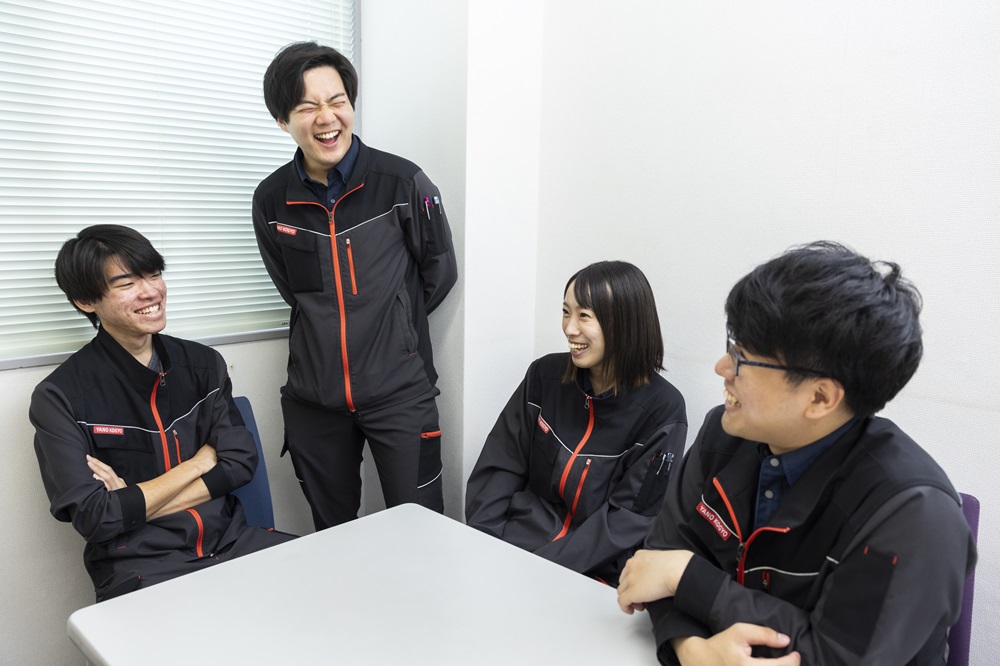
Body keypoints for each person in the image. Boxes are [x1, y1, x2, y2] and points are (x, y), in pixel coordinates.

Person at [617, 242, 977, 665]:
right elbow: (655, 564)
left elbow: (834, 656)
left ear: (820, 398)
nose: (722, 368)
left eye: (742, 359)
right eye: (732, 346)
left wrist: (689, 579)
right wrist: (692, 650)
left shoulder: (914, 512)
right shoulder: (725, 434)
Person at [252, 41, 457, 529]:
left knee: (420, 529)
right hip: (314, 401)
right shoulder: (271, 200)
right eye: (308, 107)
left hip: (399, 394)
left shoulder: (402, 182)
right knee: (334, 535)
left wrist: (394, 329)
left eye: (337, 101)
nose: (327, 118)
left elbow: (439, 272)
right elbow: (292, 289)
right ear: (283, 120)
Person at [29, 225, 295, 601]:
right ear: (86, 301)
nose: (151, 291)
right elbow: (96, 517)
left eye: (154, 274)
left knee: (328, 582)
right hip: (141, 566)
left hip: (232, 541)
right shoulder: (60, 397)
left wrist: (131, 503)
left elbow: (239, 464)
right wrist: (198, 463)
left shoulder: (203, 364)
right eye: (127, 283)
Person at [466, 261, 687, 585]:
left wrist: (538, 571)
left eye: (584, 315)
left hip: (593, 574)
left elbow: (627, 520)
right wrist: (485, 542)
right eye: (566, 312)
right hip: (515, 547)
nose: (570, 329)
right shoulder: (544, 376)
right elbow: (500, 466)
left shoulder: (663, 409)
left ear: (625, 323)